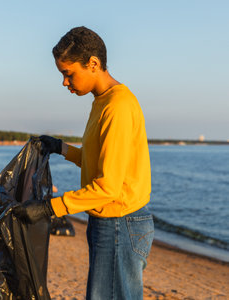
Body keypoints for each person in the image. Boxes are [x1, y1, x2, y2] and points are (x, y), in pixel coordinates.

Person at [14, 26, 154, 299]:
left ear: (93, 64)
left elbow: (109, 187)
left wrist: (48, 208)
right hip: (112, 222)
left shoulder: (118, 106)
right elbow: (98, 162)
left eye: (68, 73)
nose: (65, 82)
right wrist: (61, 148)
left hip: (119, 223)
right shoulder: (102, 101)